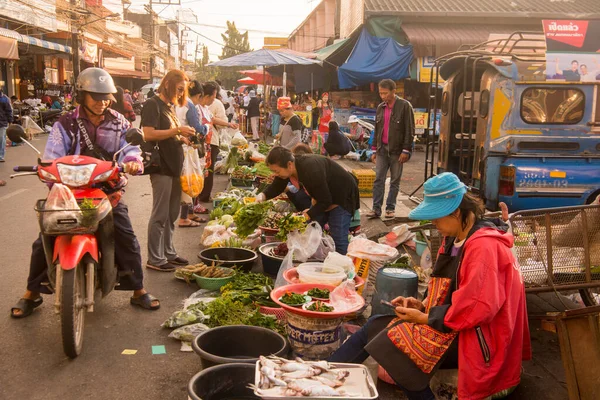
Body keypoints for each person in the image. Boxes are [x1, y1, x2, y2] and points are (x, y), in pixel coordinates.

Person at [328, 172, 531, 400]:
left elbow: (477, 308)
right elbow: (447, 290)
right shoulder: (454, 238)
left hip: (481, 340)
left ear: (456, 212)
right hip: (458, 325)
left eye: (436, 218)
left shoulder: (483, 247)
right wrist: (422, 304)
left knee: (395, 348)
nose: (434, 224)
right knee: (376, 325)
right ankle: (323, 376)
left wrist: (425, 318)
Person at [10, 68, 161, 317]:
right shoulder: (65, 123)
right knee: (44, 238)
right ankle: (32, 292)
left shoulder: (119, 122)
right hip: (68, 193)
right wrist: (47, 169)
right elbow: (52, 154)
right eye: (96, 97)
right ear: (82, 95)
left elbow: (130, 149)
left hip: (107, 191)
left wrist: (133, 161)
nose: (102, 103)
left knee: (125, 235)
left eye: (105, 97)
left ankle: (138, 289)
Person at [257, 146, 359, 255]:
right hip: (323, 198)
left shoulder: (311, 169)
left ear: (289, 164)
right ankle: (316, 259)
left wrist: (308, 214)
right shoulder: (290, 167)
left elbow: (325, 201)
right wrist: (263, 195)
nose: (275, 174)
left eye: (276, 171)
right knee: (311, 231)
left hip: (342, 196)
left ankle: (343, 267)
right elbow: (278, 185)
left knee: (338, 238)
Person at [141, 70, 195, 272]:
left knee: (172, 212)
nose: (181, 94)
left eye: (183, 91)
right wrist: (177, 131)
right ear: (168, 85)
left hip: (174, 166)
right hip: (161, 166)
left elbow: (169, 134)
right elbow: (148, 134)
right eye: (179, 89)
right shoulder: (152, 104)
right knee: (160, 213)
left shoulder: (168, 107)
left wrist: (181, 138)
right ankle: (155, 258)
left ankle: (169, 252)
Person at [368, 79, 415, 220]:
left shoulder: (405, 106)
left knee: (395, 180)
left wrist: (406, 150)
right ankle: (376, 209)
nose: (383, 96)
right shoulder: (380, 107)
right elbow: (377, 130)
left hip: (397, 150)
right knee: (378, 179)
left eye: (385, 93)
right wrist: (374, 149)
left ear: (394, 91)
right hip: (382, 149)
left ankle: (390, 207)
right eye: (380, 93)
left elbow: (410, 129)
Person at [175, 80, 209, 228]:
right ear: (199, 95)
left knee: (187, 179)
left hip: (180, 146)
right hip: (186, 147)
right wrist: (206, 127)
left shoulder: (178, 103)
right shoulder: (190, 106)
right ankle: (183, 218)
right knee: (188, 180)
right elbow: (197, 128)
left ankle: (189, 214)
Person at [197, 81, 221, 204]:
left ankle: (200, 198)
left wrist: (229, 124)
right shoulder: (196, 108)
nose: (214, 99)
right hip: (200, 146)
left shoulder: (205, 108)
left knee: (206, 171)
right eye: (214, 96)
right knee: (201, 172)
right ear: (207, 96)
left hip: (207, 145)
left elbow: (213, 119)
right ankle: (198, 199)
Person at [0, 89, 12, 162]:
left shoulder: (4, 99)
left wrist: (10, 121)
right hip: (3, 121)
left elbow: (9, 110)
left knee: (1, 138)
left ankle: (1, 156)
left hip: (2, 122)